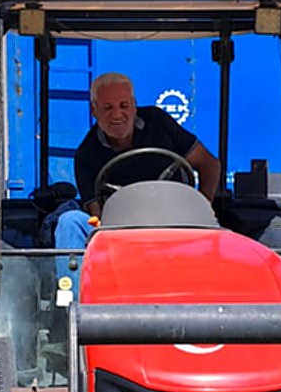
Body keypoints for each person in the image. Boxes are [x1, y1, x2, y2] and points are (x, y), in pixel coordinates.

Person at [53, 72, 221, 286]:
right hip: (123, 235)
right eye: (107, 108)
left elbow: (209, 164)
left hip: (178, 225)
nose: (117, 114)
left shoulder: (158, 122)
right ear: (94, 110)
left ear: (134, 105)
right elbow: (97, 213)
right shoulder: (86, 155)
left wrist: (204, 207)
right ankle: (76, 309)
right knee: (69, 222)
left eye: (123, 105)